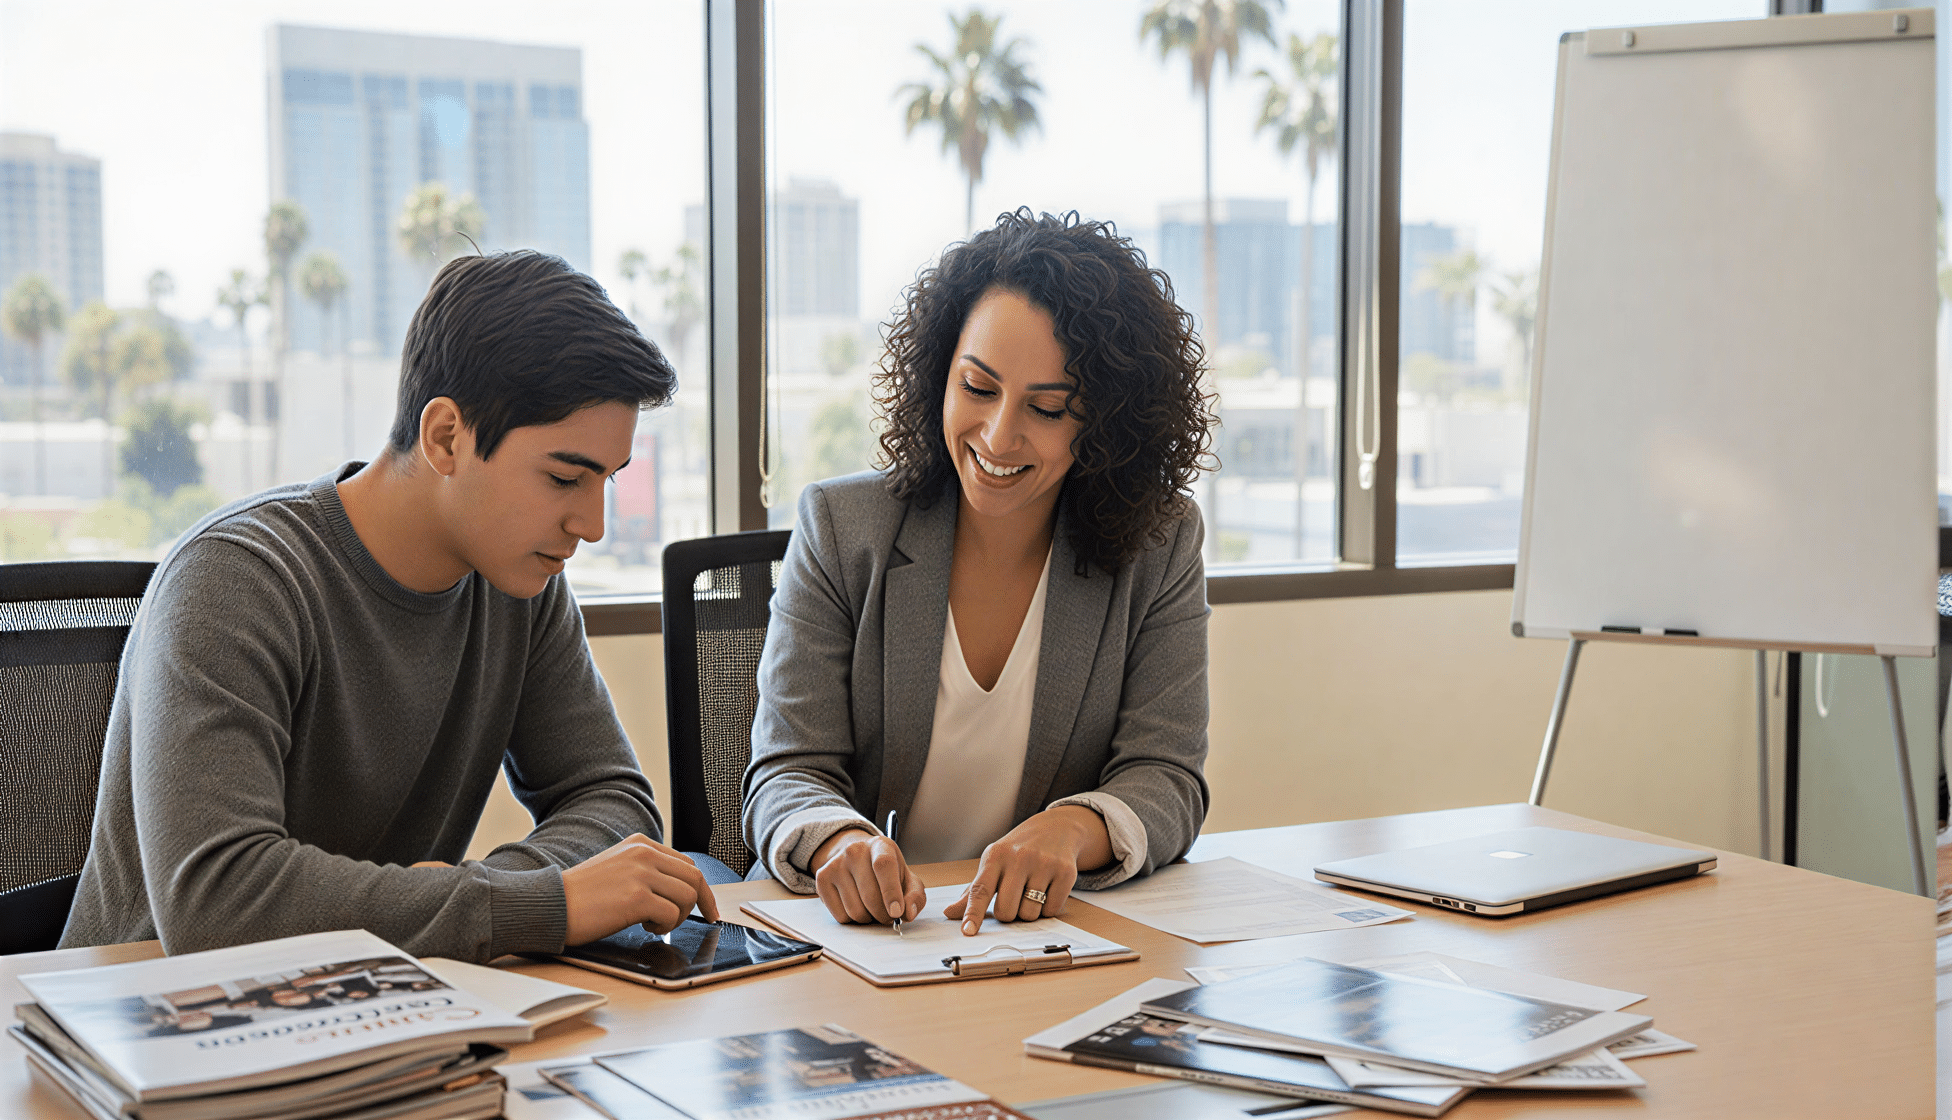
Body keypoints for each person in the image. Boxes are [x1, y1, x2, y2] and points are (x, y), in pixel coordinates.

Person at [62, 250, 719, 961]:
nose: (592, 524)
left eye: (608, 482)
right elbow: (217, 902)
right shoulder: (234, 580)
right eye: (565, 477)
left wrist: (495, 895)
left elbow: (612, 800)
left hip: (383, 1008)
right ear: (445, 437)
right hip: (159, 1024)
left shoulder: (519, 587)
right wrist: (537, 905)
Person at [742, 209, 1216, 934]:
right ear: (940, 374)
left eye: (1048, 408)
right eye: (978, 387)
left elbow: (1168, 774)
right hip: (857, 941)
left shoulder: (1161, 542)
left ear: (1107, 422)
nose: (999, 435)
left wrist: (1072, 829)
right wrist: (841, 840)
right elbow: (786, 771)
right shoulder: (843, 529)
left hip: (1041, 938)